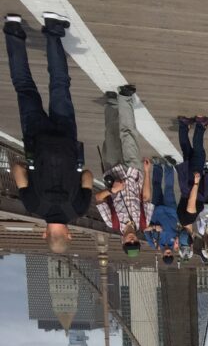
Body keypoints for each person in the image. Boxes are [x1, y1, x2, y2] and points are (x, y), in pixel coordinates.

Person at [3, 13, 92, 252]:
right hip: (36, 139)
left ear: (69, 235)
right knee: (24, 87)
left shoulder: (78, 209)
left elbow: (87, 177)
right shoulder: (34, 205)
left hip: (66, 139)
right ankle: (12, 30)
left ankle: (53, 32)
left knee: (60, 85)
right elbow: (19, 170)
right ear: (45, 233)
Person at [94, 84, 152, 256]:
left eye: (129, 243)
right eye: (135, 242)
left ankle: (111, 103)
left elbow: (98, 199)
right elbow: (147, 198)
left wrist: (112, 190)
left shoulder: (112, 222)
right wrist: (147, 173)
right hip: (134, 173)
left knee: (111, 135)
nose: (132, 239)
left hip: (113, 171)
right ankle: (125, 98)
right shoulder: (142, 222)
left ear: (123, 241)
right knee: (128, 134)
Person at [174, 115, 208, 231]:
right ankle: (183, 125)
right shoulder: (180, 218)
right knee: (187, 151)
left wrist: (196, 183)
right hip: (185, 183)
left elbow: (192, 201)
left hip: (192, 183)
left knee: (199, 153)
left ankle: (200, 125)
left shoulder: (189, 219)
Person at [148, 157, 187, 264]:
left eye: (166, 255)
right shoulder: (175, 243)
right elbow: (185, 232)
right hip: (171, 211)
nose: (168, 252)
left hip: (156, 212)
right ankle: (169, 166)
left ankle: (157, 166)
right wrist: (179, 239)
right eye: (170, 254)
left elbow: (145, 229)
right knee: (169, 188)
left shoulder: (154, 244)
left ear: (163, 255)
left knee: (156, 187)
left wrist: (154, 227)